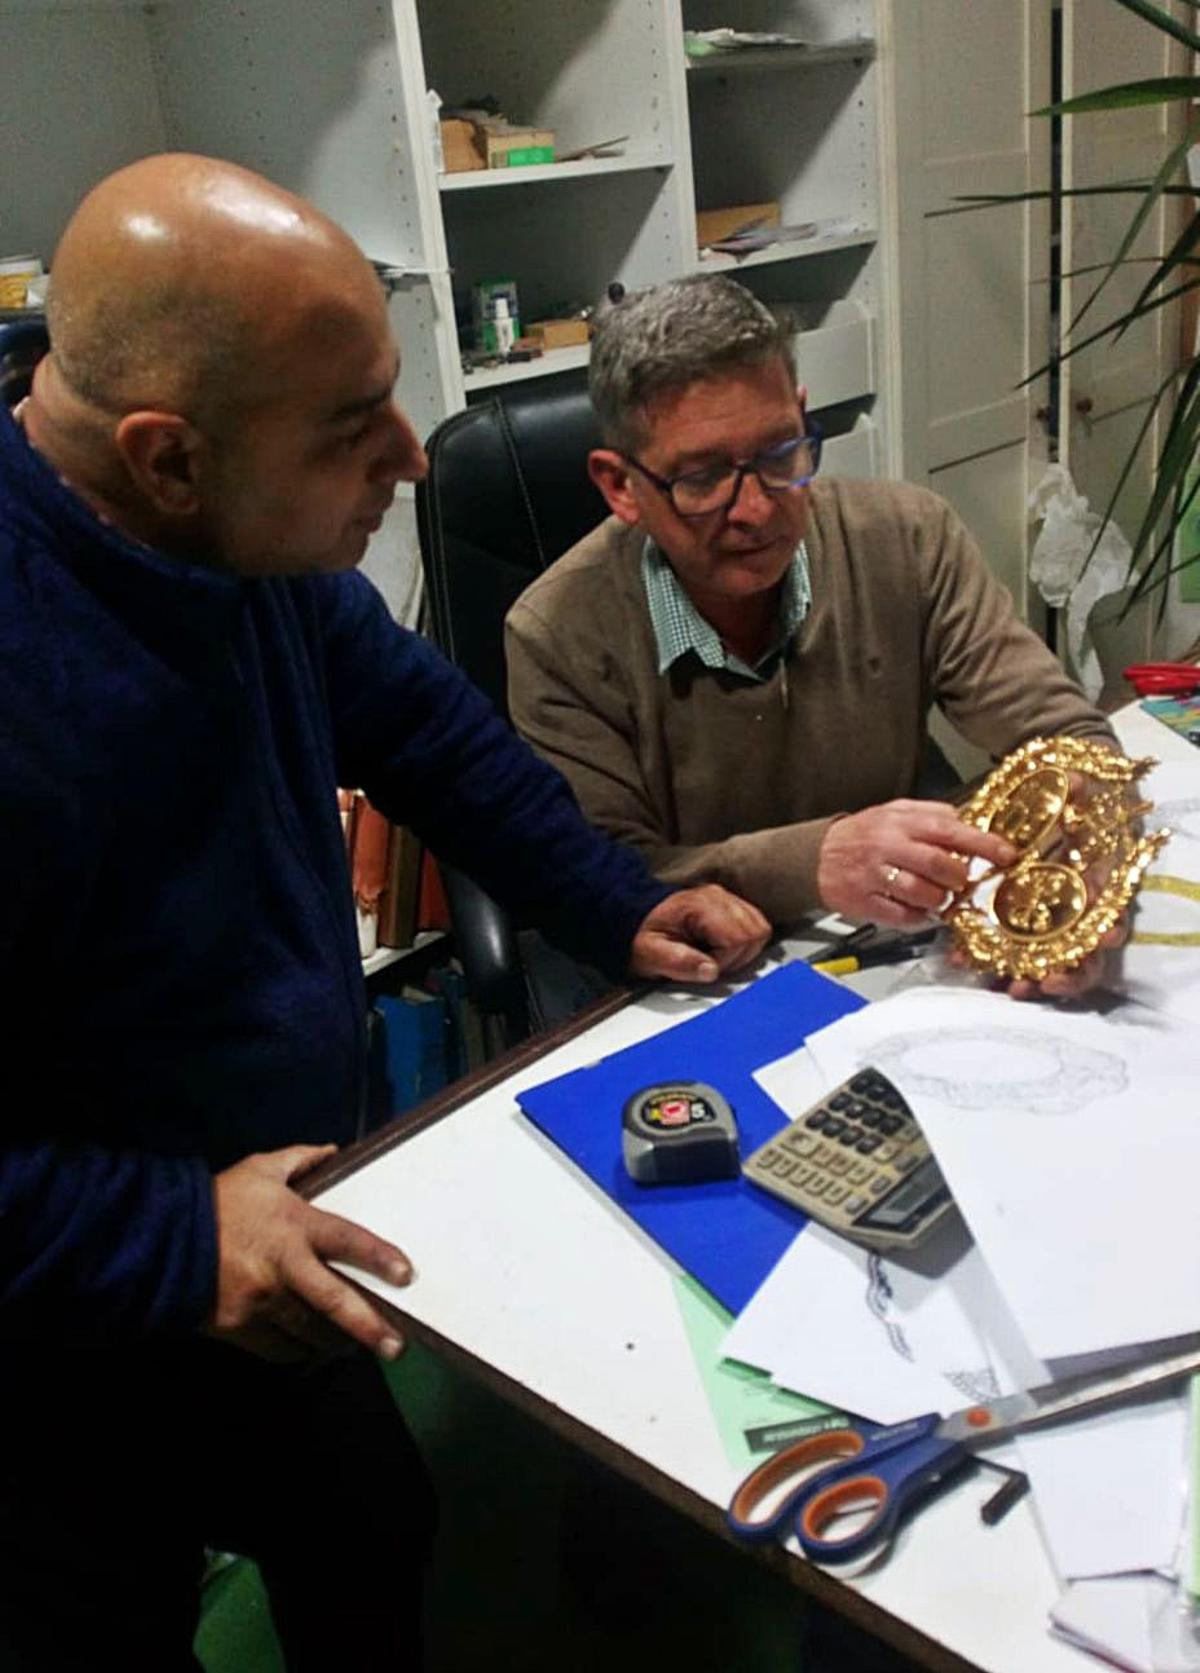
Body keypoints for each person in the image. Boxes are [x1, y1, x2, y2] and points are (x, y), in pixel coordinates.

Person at [0, 158, 771, 1671]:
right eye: (355, 429)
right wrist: (167, 1232)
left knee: (370, 1530)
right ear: (165, 458)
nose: (413, 460)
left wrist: (617, 904)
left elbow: (430, 738)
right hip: (65, 1312)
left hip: (279, 1227)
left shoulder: (239, 546)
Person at [505, 275, 1121, 999]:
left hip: (905, 957)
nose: (757, 509)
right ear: (620, 485)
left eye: (779, 454)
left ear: (801, 415)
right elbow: (601, 873)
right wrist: (813, 859)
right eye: (702, 478)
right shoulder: (556, 633)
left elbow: (1070, 741)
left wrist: (1079, 881)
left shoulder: (907, 536)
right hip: (706, 991)